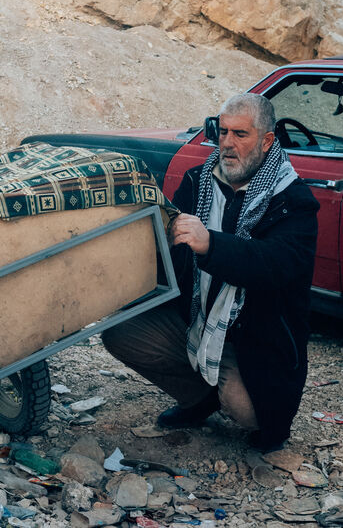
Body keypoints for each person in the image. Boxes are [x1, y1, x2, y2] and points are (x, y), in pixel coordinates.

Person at [102, 93, 319, 452]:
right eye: (223, 132)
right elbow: (170, 255)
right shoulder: (198, 180)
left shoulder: (292, 201)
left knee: (248, 414)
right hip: (197, 319)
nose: (227, 143)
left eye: (241, 134)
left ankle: (233, 395)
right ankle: (199, 399)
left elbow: (275, 266)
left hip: (253, 339)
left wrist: (211, 245)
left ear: (266, 141)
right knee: (122, 334)